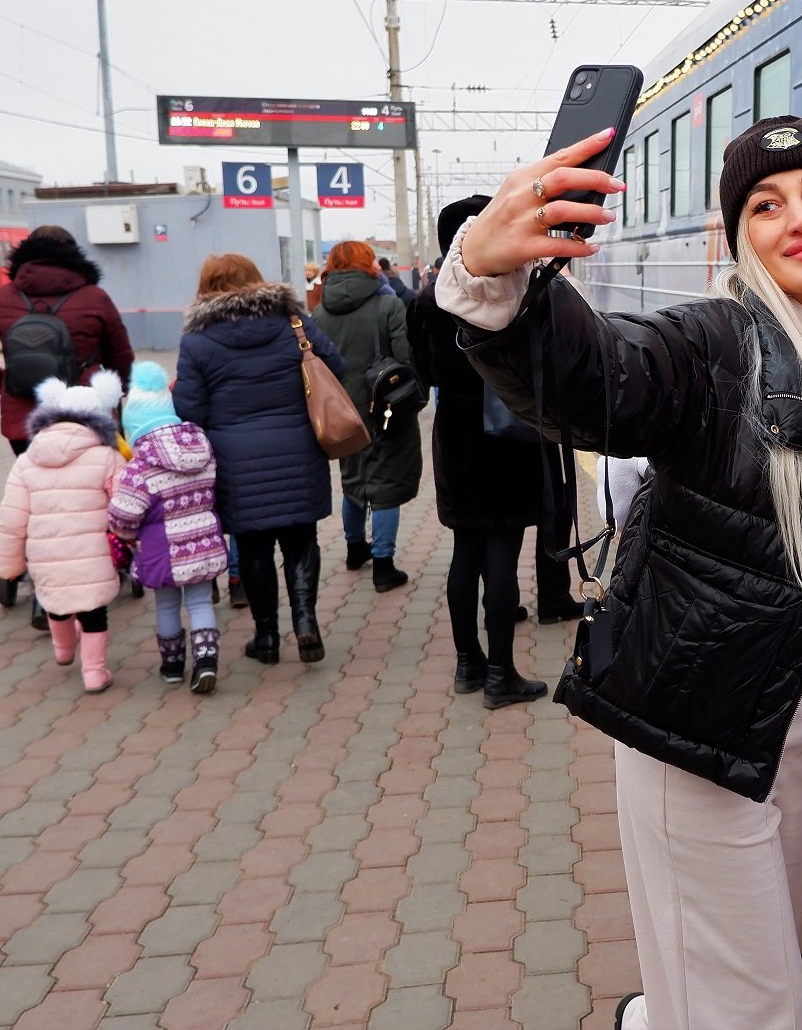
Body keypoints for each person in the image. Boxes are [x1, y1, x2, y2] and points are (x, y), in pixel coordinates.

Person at [437, 117, 802, 1030]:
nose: (799, 218)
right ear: (739, 236)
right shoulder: (717, 343)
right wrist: (489, 266)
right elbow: (597, 377)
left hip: (791, 735)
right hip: (699, 736)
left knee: (747, 983)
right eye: (766, 205)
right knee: (747, 1009)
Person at [407, 194, 550, 706]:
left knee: (465, 553)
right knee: (503, 559)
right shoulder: (516, 294)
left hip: (456, 435)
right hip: (508, 436)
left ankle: (468, 664)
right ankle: (501, 675)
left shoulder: (427, 300)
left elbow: (423, 372)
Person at [174, 254, 344, 667]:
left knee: (252, 546)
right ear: (256, 278)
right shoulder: (292, 322)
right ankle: (306, 622)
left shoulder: (196, 339)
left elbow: (190, 410)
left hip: (236, 460)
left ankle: (266, 637)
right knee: (301, 539)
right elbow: (334, 366)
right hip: (298, 448)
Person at [0, 372, 128, 691]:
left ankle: (64, 650)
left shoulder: (28, 459)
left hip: (46, 553)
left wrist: (9, 566)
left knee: (56, 602)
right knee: (94, 610)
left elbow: (11, 519)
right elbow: (124, 508)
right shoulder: (107, 456)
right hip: (93, 553)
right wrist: (130, 542)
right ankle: (94, 673)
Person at [0, 224, 134, 456]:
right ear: (74, 255)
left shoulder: (3, 298)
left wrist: (4, 382)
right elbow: (120, 356)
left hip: (25, 418)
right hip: (88, 413)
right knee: (93, 483)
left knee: (35, 485)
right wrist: (113, 394)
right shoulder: (95, 297)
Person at [109, 360, 228, 693]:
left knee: (166, 605)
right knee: (201, 602)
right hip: (202, 541)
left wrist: (127, 535)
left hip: (162, 548)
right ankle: (206, 662)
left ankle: (173, 665)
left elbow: (123, 513)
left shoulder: (141, 464)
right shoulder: (201, 447)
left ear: (134, 428)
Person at [314, 241, 423, 592]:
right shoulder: (388, 304)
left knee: (353, 481)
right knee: (385, 485)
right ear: (367, 265)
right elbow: (406, 354)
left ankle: (353, 548)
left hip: (341, 412)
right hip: (385, 408)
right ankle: (384, 564)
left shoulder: (319, 312)